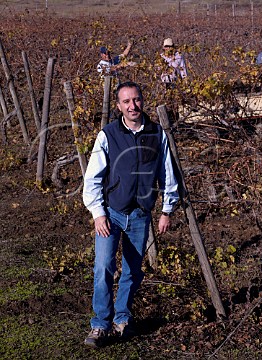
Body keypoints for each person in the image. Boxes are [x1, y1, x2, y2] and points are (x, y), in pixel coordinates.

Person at [83, 81, 179, 347]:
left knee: (132, 271)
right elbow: (92, 177)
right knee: (103, 266)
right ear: (118, 106)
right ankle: (100, 324)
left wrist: (166, 209)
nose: (132, 106)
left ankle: (122, 319)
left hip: (140, 215)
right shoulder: (108, 134)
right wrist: (98, 213)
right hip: (111, 214)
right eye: (126, 102)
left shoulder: (157, 133)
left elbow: (167, 173)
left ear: (142, 100)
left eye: (136, 100)